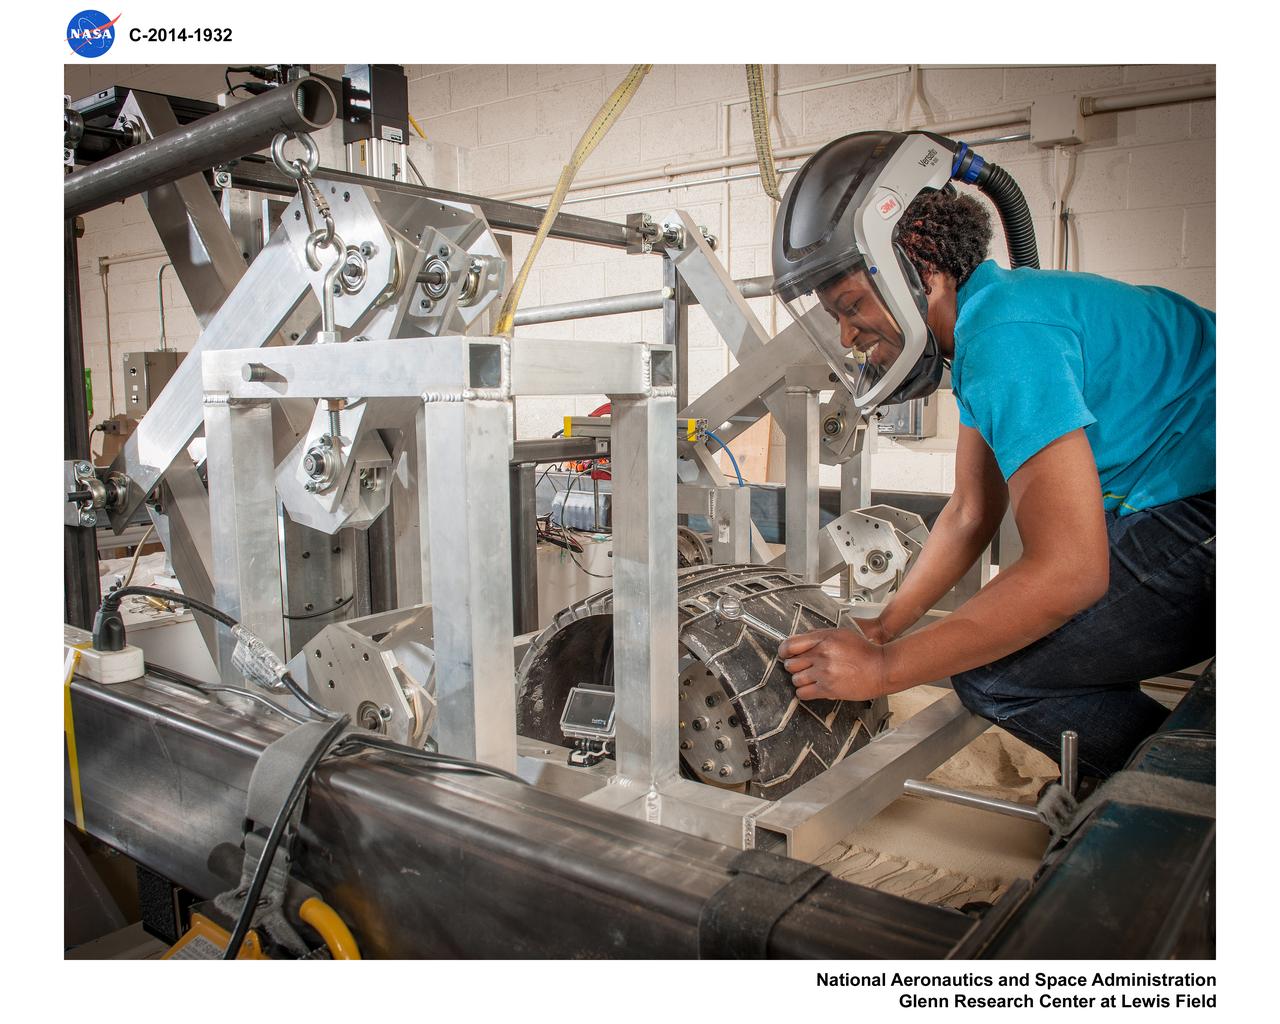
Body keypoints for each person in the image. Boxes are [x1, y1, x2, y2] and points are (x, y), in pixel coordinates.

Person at [771, 131, 1215, 780]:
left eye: (852, 306)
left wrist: (886, 671)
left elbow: (1071, 573)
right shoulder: (993, 319)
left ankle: (1177, 812)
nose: (847, 333)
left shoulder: (1007, 334)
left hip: (1206, 510)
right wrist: (885, 629)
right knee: (1003, 634)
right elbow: (971, 511)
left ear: (918, 270)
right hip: (1193, 498)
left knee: (994, 674)